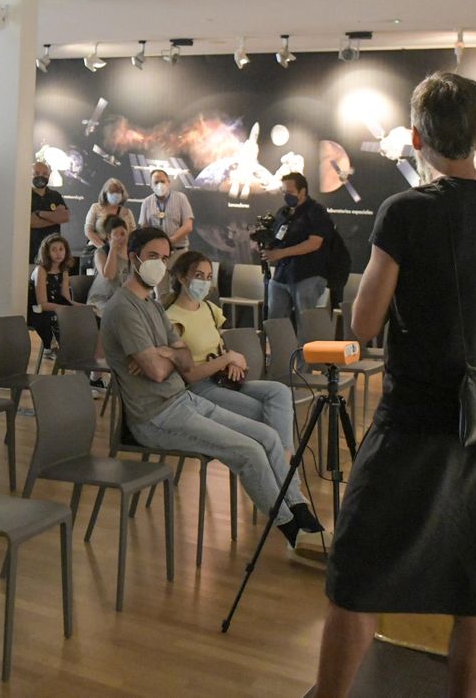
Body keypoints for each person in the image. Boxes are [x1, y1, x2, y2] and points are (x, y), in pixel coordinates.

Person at [315, 72, 476, 698]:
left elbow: (363, 323)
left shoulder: (406, 211)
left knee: (356, 577)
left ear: (416, 136)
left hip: (411, 420)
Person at [99, 227, 319, 545]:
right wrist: (168, 354)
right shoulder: (124, 308)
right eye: (152, 257)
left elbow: (184, 358)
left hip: (183, 402)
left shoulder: (153, 305)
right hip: (155, 416)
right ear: (134, 258)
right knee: (249, 451)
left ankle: (299, 507)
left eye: (163, 258)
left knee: (269, 437)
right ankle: (292, 530)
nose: (159, 264)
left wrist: (165, 352)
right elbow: (160, 372)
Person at [163, 250, 312, 512]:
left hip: (223, 380)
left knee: (278, 392)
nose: (204, 282)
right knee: (261, 415)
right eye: (199, 276)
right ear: (182, 277)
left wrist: (230, 360)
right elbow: (189, 373)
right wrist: (226, 359)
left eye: (208, 277)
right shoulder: (172, 318)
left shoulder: (209, 309)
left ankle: (285, 462)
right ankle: (290, 492)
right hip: (199, 389)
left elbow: (219, 347)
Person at [260, 171, 335, 324]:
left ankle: (305, 349)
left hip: (307, 275)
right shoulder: (283, 212)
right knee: (275, 322)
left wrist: (281, 253)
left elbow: (315, 243)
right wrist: (265, 243)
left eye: (290, 192)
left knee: (306, 323)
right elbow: (277, 238)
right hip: (281, 275)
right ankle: (279, 349)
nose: (286, 196)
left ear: (302, 191)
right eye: (284, 192)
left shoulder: (316, 211)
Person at [29, 233, 76, 358]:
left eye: (61, 249)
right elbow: (42, 304)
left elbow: (66, 299)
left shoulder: (64, 271)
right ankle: (52, 347)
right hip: (38, 310)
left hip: (57, 307)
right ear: (47, 252)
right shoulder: (41, 270)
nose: (58, 253)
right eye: (54, 250)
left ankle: (79, 347)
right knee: (58, 317)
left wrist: (85, 307)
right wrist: (64, 309)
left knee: (84, 314)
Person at [137, 168, 194, 257]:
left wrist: (169, 241)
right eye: (156, 182)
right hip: (155, 253)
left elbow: (188, 226)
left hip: (178, 252)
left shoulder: (181, 198)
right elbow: (144, 227)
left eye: (162, 181)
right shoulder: (146, 202)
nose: (160, 185)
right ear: (151, 185)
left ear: (168, 182)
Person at [86, 214, 130, 315]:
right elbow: (109, 275)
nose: (120, 238)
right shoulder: (100, 253)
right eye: (116, 235)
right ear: (109, 237)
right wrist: (113, 250)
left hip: (121, 301)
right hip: (101, 300)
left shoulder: (131, 255)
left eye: (123, 234)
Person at [29, 159, 70, 261]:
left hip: (53, 252)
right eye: (37, 173)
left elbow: (65, 217)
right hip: (31, 250)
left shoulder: (55, 195)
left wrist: (40, 213)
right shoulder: (25, 195)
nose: (41, 176)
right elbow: (29, 222)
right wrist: (54, 218)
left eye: (44, 174)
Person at [83, 177, 135, 258]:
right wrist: (104, 248)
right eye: (112, 191)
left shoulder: (127, 212)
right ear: (105, 193)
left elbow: (133, 234)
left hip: (121, 253)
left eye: (118, 191)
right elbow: (88, 231)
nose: (115, 194)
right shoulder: (95, 208)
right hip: (98, 251)